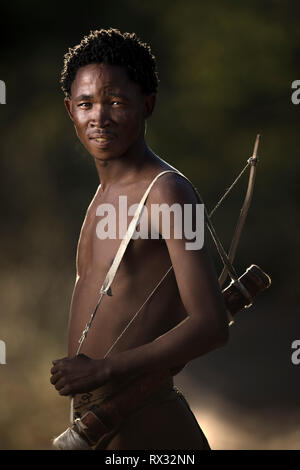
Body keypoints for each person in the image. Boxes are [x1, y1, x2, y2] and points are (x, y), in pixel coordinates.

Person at [50, 28, 229, 450]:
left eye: (115, 102)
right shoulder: (102, 196)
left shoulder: (168, 192)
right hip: (97, 423)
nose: (99, 117)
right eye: (86, 104)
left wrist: (105, 370)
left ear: (147, 104)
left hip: (145, 418)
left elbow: (211, 324)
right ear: (69, 109)